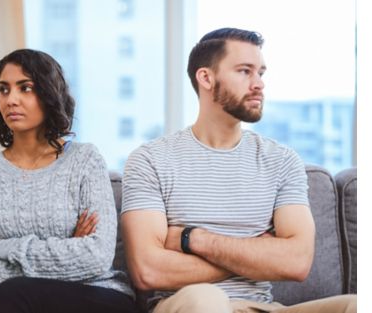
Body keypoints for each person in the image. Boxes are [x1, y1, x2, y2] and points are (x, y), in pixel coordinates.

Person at [121, 28, 356, 313]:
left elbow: (297, 262)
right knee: (208, 300)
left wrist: (193, 239)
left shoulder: (281, 161)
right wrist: (255, 254)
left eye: (261, 73)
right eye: (245, 71)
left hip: (264, 308)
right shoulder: (150, 159)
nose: (258, 84)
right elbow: (148, 271)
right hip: (189, 304)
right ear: (206, 78)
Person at [0, 49, 137, 313]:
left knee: (15, 290)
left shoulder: (85, 160)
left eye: (25, 88)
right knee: (17, 292)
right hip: (24, 302)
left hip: (98, 296)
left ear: (48, 93)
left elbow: (97, 257)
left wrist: (8, 247)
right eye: (4, 90)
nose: (11, 100)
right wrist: (69, 249)